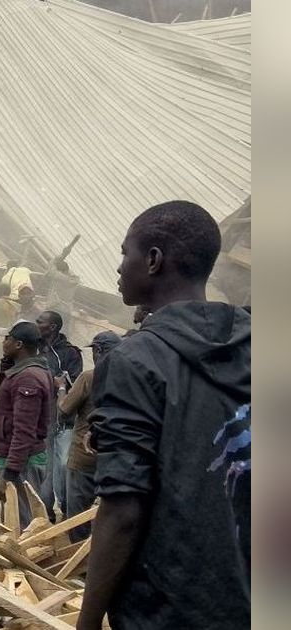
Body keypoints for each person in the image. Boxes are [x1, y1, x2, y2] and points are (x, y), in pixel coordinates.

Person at [77, 201, 250, 630]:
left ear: (153, 260)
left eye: (125, 253)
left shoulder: (134, 361)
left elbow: (123, 510)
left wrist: (86, 622)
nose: (119, 268)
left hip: (168, 610)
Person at [59, 331, 120, 542]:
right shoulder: (129, 378)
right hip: (115, 457)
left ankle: (77, 565)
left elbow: (64, 410)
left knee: (77, 516)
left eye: (94, 350)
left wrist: (60, 387)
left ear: (99, 351)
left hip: (84, 457)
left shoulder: (89, 377)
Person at [0, 321, 52, 526]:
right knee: (13, 519)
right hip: (16, 459)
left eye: (7, 338)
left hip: (20, 462)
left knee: (21, 525)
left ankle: (26, 559)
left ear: (18, 345)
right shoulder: (25, 372)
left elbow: (24, 430)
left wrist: (11, 471)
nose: (3, 341)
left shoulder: (28, 378)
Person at [35, 310, 83, 522]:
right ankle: (47, 514)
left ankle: (66, 508)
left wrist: (60, 385)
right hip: (42, 420)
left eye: (40, 322)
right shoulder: (34, 348)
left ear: (52, 326)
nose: (37, 324)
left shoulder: (70, 353)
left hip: (64, 421)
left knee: (63, 465)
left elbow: (74, 386)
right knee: (44, 470)